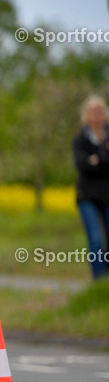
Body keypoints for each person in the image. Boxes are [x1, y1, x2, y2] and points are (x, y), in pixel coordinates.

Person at [72, 95, 109, 280]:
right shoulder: (80, 139)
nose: (98, 115)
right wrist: (103, 156)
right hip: (87, 196)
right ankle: (99, 281)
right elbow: (83, 166)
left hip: (107, 194)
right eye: (94, 111)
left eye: (101, 110)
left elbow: (95, 162)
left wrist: (96, 158)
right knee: (95, 239)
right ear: (87, 114)